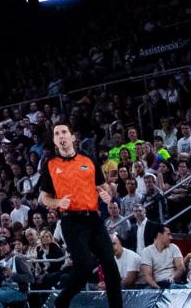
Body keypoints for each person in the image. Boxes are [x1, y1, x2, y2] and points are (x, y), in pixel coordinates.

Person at [36, 121, 123, 308]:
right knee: (84, 268)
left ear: (72, 137)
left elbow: (103, 185)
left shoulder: (88, 160)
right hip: (71, 222)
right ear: (54, 140)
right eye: (57, 133)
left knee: (111, 267)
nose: (61, 136)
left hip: (94, 219)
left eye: (64, 132)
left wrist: (107, 193)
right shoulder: (50, 165)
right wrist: (58, 202)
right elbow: (44, 198)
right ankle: (62, 301)